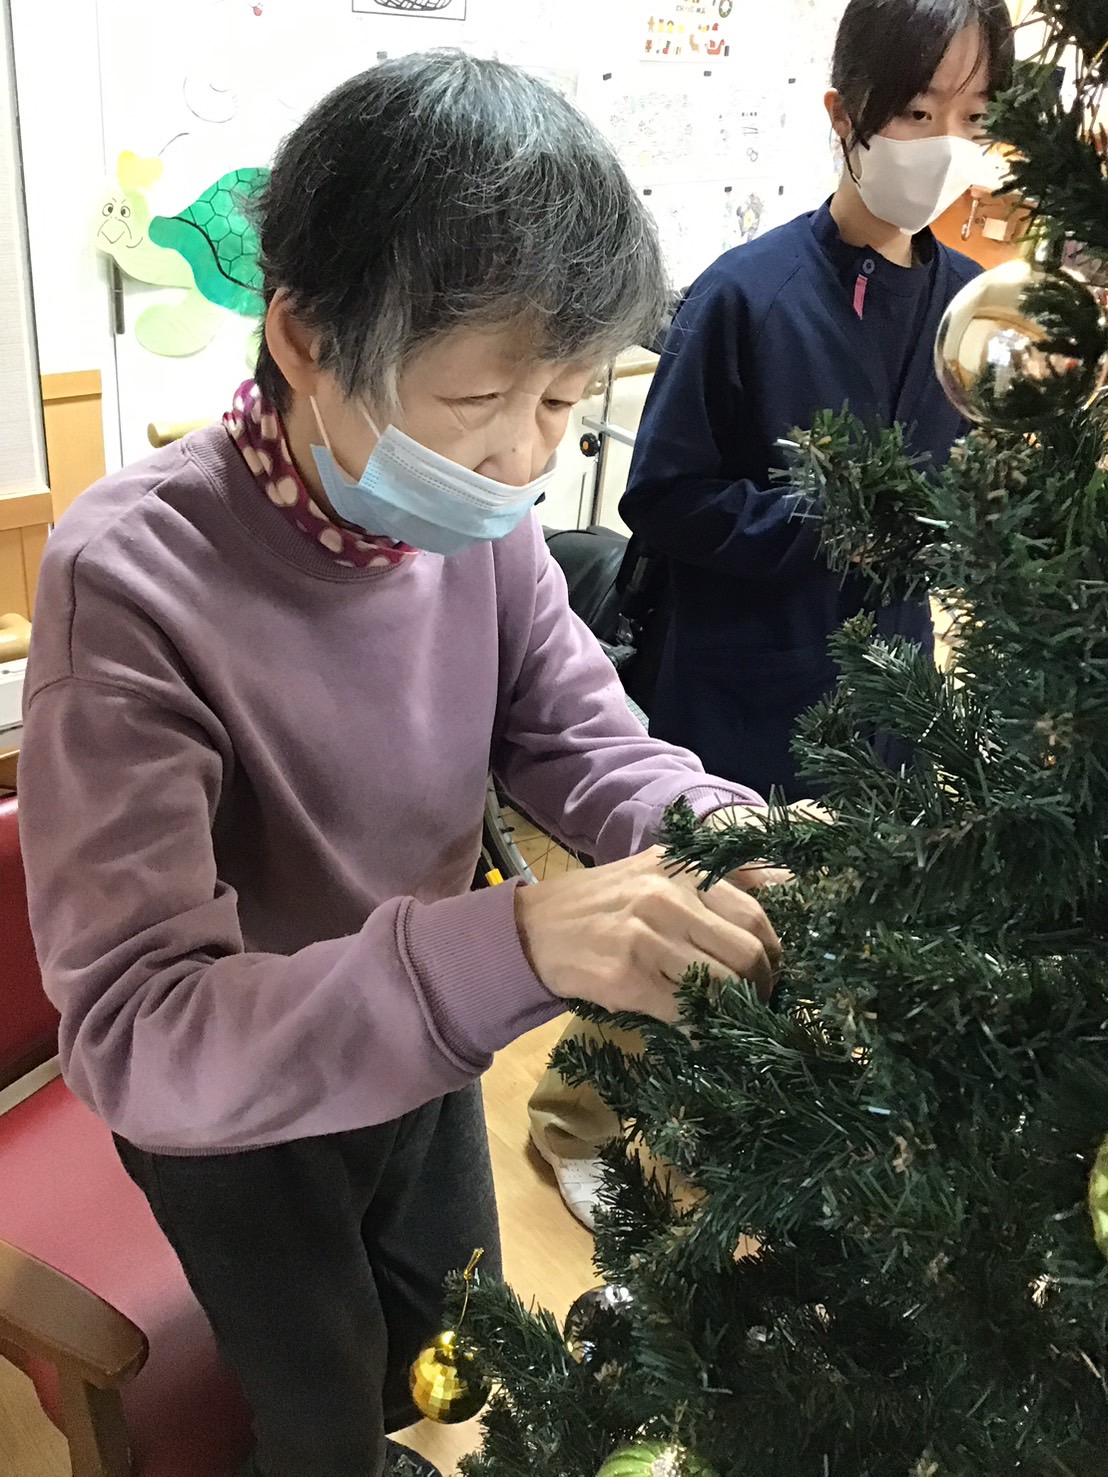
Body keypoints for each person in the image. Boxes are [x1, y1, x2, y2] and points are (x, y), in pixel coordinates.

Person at [17, 53, 784, 1477]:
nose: (523, 460)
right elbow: (140, 1030)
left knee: (446, 1336)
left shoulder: (477, 528)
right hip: (236, 1104)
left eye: (565, 401)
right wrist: (515, 940)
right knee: (316, 1414)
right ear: (305, 339)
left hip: (423, 1041)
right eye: (481, 395)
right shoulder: (130, 580)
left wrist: (729, 837)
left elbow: (577, 733)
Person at [529, 0, 1014, 1228]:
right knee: (684, 914)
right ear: (844, 114)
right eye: (915, 112)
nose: (941, 145)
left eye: (970, 117)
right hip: (733, 679)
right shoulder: (745, 295)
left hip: (883, 688)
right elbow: (662, 496)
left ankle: (753, 1135)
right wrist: (832, 524)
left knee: (823, 926)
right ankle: (576, 1121)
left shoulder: (971, 308)